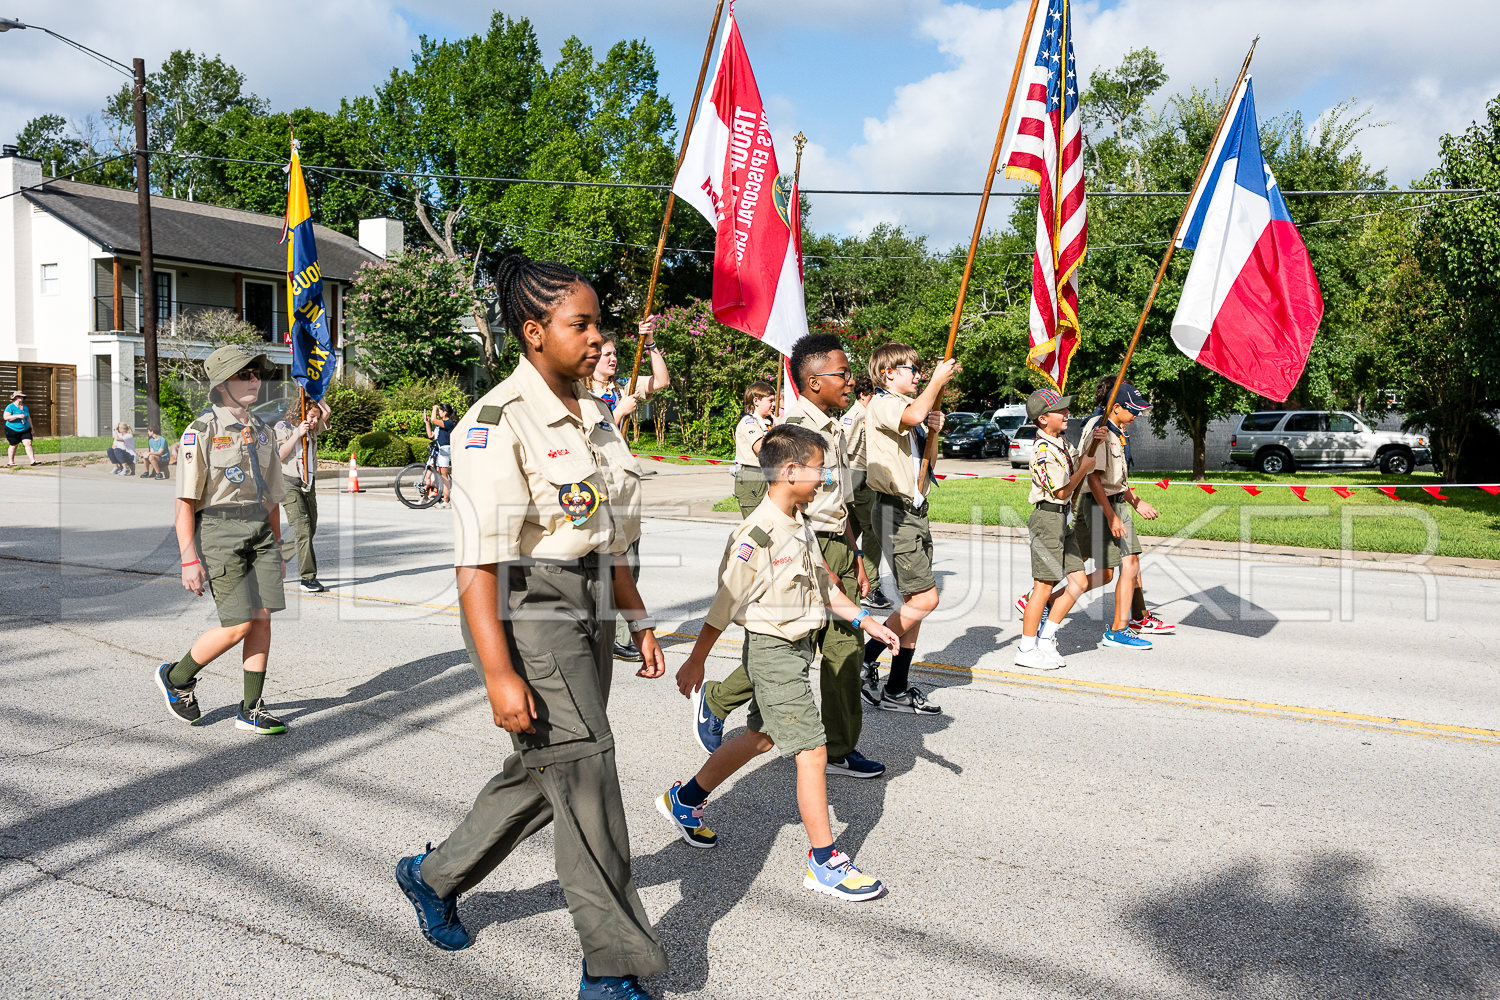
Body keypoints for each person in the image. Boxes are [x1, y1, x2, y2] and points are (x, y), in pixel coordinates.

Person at [394, 254, 669, 1000]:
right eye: (580, 325)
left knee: (545, 767)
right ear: (533, 332)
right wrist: (498, 674)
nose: (595, 338)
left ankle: (432, 875)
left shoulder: (595, 414)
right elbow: (478, 567)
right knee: (585, 778)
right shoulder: (494, 424)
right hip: (530, 608)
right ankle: (612, 965)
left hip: (589, 605)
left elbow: (608, 532)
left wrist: (634, 619)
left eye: (599, 325)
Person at [659, 423, 900, 901]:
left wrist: (864, 621)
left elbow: (824, 586)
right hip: (772, 650)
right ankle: (824, 861)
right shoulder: (758, 535)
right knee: (811, 750)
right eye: (819, 470)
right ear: (790, 471)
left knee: (761, 736)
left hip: (795, 647)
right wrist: (696, 661)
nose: (826, 478)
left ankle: (684, 799)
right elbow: (724, 606)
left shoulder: (799, 520)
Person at [691, 334, 883, 778]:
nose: (851, 380)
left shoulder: (834, 426)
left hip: (833, 541)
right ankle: (721, 701)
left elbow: (840, 502)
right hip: (802, 547)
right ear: (814, 381)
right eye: (843, 373)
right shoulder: (795, 427)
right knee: (792, 645)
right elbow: (784, 502)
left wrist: (853, 554)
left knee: (843, 649)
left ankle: (837, 746)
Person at [153, 345, 288, 735]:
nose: (254, 380)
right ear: (221, 384)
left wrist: (277, 547)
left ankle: (251, 708)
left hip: (260, 531)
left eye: (256, 373)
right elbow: (185, 502)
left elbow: (273, 498)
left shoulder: (263, 432)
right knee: (238, 624)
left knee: (261, 620)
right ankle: (177, 678)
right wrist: (188, 559)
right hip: (219, 530)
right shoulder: (202, 431)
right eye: (244, 374)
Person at [858, 342, 960, 715]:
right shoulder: (884, 403)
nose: (918, 376)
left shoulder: (908, 411)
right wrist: (934, 385)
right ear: (888, 374)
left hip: (915, 511)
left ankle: (896, 687)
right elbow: (915, 414)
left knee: (915, 605)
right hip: (895, 513)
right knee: (926, 600)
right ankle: (866, 658)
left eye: (921, 371)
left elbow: (927, 464)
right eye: (911, 370)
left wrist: (934, 430)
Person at [590, 328, 671, 664]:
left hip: (624, 485)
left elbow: (661, 380)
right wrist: (619, 413)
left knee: (630, 562)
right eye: (605, 354)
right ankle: (604, 632)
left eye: (614, 353)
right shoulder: (581, 391)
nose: (612, 359)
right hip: (597, 483)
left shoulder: (623, 385)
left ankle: (620, 634)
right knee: (602, 565)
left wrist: (650, 344)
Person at [1071, 380, 1160, 650]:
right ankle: (1119, 628)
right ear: (1117, 407)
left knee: (1110, 567)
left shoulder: (1116, 430)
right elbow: (1095, 478)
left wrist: (1135, 501)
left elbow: (1117, 479)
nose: (1137, 415)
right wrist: (1112, 516)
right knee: (1117, 564)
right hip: (1102, 505)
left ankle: (1044, 601)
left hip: (1112, 502)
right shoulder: (1100, 431)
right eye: (1133, 410)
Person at [1015, 388, 1097, 669]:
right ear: (1042, 419)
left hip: (1062, 519)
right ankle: (1026, 649)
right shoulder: (1042, 451)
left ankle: (1046, 639)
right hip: (1048, 518)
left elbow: (1079, 461)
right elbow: (1062, 491)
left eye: (1065, 409)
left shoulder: (1061, 442)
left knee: (1079, 582)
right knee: (1043, 587)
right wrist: (1084, 469)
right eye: (1060, 411)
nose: (1066, 414)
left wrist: (1095, 443)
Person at [843, 374, 892, 610]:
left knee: (849, 532)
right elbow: (846, 452)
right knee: (875, 531)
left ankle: (851, 580)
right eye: (874, 394)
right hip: (857, 479)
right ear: (864, 395)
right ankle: (870, 587)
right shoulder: (856, 416)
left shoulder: (864, 415)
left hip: (859, 480)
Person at [276, 396, 333, 593]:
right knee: (302, 529)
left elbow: (327, 413)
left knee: (310, 529)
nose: (316, 421)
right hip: (288, 482)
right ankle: (308, 578)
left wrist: (317, 394)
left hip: (308, 483)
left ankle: (276, 558)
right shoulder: (283, 427)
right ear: (301, 413)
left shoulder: (313, 428)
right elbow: (279, 455)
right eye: (311, 416)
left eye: (316, 418)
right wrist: (297, 434)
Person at [732, 381, 774, 517]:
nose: (773, 405)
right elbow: (761, 448)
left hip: (766, 475)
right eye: (770, 401)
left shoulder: (768, 422)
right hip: (753, 476)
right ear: (756, 401)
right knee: (755, 525)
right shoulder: (748, 422)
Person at [423, 403, 458, 507]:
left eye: (440, 411)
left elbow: (434, 419)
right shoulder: (440, 424)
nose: (438, 412)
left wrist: (434, 408)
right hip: (436, 451)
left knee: (443, 476)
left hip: (444, 451)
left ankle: (446, 500)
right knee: (427, 474)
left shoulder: (449, 423)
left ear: (445, 412)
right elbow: (430, 435)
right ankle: (424, 497)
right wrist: (427, 423)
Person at [5, 390, 37, 467]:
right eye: (19, 396)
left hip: (25, 428)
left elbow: (28, 418)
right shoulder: (10, 407)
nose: (21, 398)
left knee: (28, 443)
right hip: (12, 429)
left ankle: (33, 460)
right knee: (14, 445)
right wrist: (17, 416)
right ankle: (11, 462)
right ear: (15, 398)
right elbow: (6, 417)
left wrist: (31, 428)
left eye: (22, 397)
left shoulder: (25, 407)